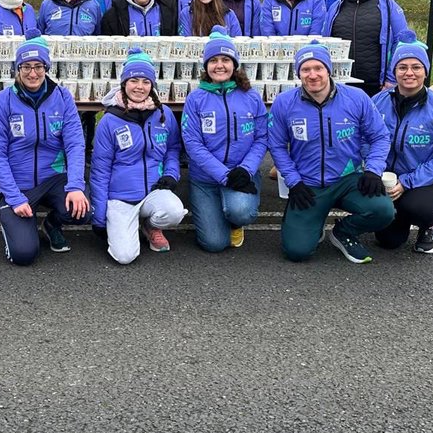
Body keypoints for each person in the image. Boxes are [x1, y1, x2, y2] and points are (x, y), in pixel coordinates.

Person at [267, 41, 395, 264]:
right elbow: (277, 146)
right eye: (306, 69)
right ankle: (313, 224)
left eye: (318, 68)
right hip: (308, 184)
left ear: (329, 70)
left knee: (384, 211)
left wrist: (373, 170)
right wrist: (294, 181)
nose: (312, 75)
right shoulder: (284, 103)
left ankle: (343, 232)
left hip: (348, 179)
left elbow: (380, 137)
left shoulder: (356, 98)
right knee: (296, 252)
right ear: (298, 73)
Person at [0, 32, 91, 264]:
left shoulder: (63, 97)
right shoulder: (3, 101)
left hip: (53, 178)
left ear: (46, 67)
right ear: (17, 69)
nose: (32, 73)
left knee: (84, 209)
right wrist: (14, 198)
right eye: (26, 66)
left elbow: (75, 144)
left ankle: (51, 224)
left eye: (38, 66)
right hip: (19, 184)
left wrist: (75, 186)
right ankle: (22, 224)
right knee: (24, 255)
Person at [90, 49, 187, 263]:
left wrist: (171, 174)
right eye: (133, 80)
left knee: (174, 211)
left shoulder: (164, 113)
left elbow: (172, 148)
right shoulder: (109, 121)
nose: (139, 87)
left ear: (152, 85)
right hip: (120, 197)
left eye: (145, 81)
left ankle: (150, 226)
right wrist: (99, 215)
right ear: (124, 83)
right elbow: (100, 171)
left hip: (154, 190)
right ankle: (126, 223)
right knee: (124, 256)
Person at [180, 27, 267, 252]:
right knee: (214, 243)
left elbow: (261, 138)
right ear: (206, 66)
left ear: (234, 64)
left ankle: (236, 221)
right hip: (206, 178)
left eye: (226, 60)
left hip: (241, 174)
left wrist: (246, 170)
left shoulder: (251, 96)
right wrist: (224, 176)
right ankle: (219, 208)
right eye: (214, 60)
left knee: (241, 211)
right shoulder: (195, 98)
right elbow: (193, 144)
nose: (220, 65)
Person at [371, 36, 433, 255]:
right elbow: (365, 141)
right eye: (402, 67)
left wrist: (407, 182)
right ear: (394, 71)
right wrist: (373, 172)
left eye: (416, 67)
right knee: (389, 241)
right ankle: (397, 218)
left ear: (425, 71)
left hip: (430, 179)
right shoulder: (377, 101)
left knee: (416, 207)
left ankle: (430, 225)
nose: (409, 73)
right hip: (387, 178)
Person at [322, 0, 411, 95]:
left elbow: (402, 42)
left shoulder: (388, 5)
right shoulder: (337, 7)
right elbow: (325, 41)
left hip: (377, 85)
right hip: (341, 83)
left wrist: (391, 78)